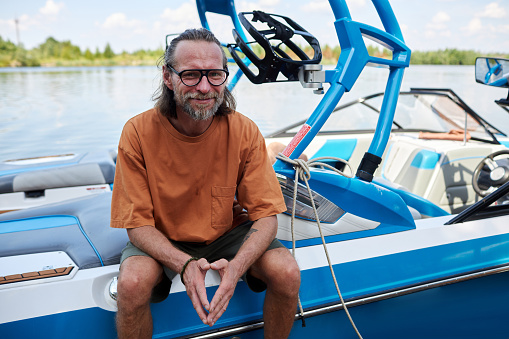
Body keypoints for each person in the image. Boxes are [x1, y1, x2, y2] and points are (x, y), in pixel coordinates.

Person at [110, 28, 301, 339]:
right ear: (168, 77)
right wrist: (185, 265)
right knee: (131, 284)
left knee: (287, 272)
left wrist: (237, 267)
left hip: (228, 234)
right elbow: (137, 224)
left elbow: (266, 215)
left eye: (214, 75)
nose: (204, 87)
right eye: (190, 76)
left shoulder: (244, 131)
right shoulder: (137, 132)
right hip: (163, 235)